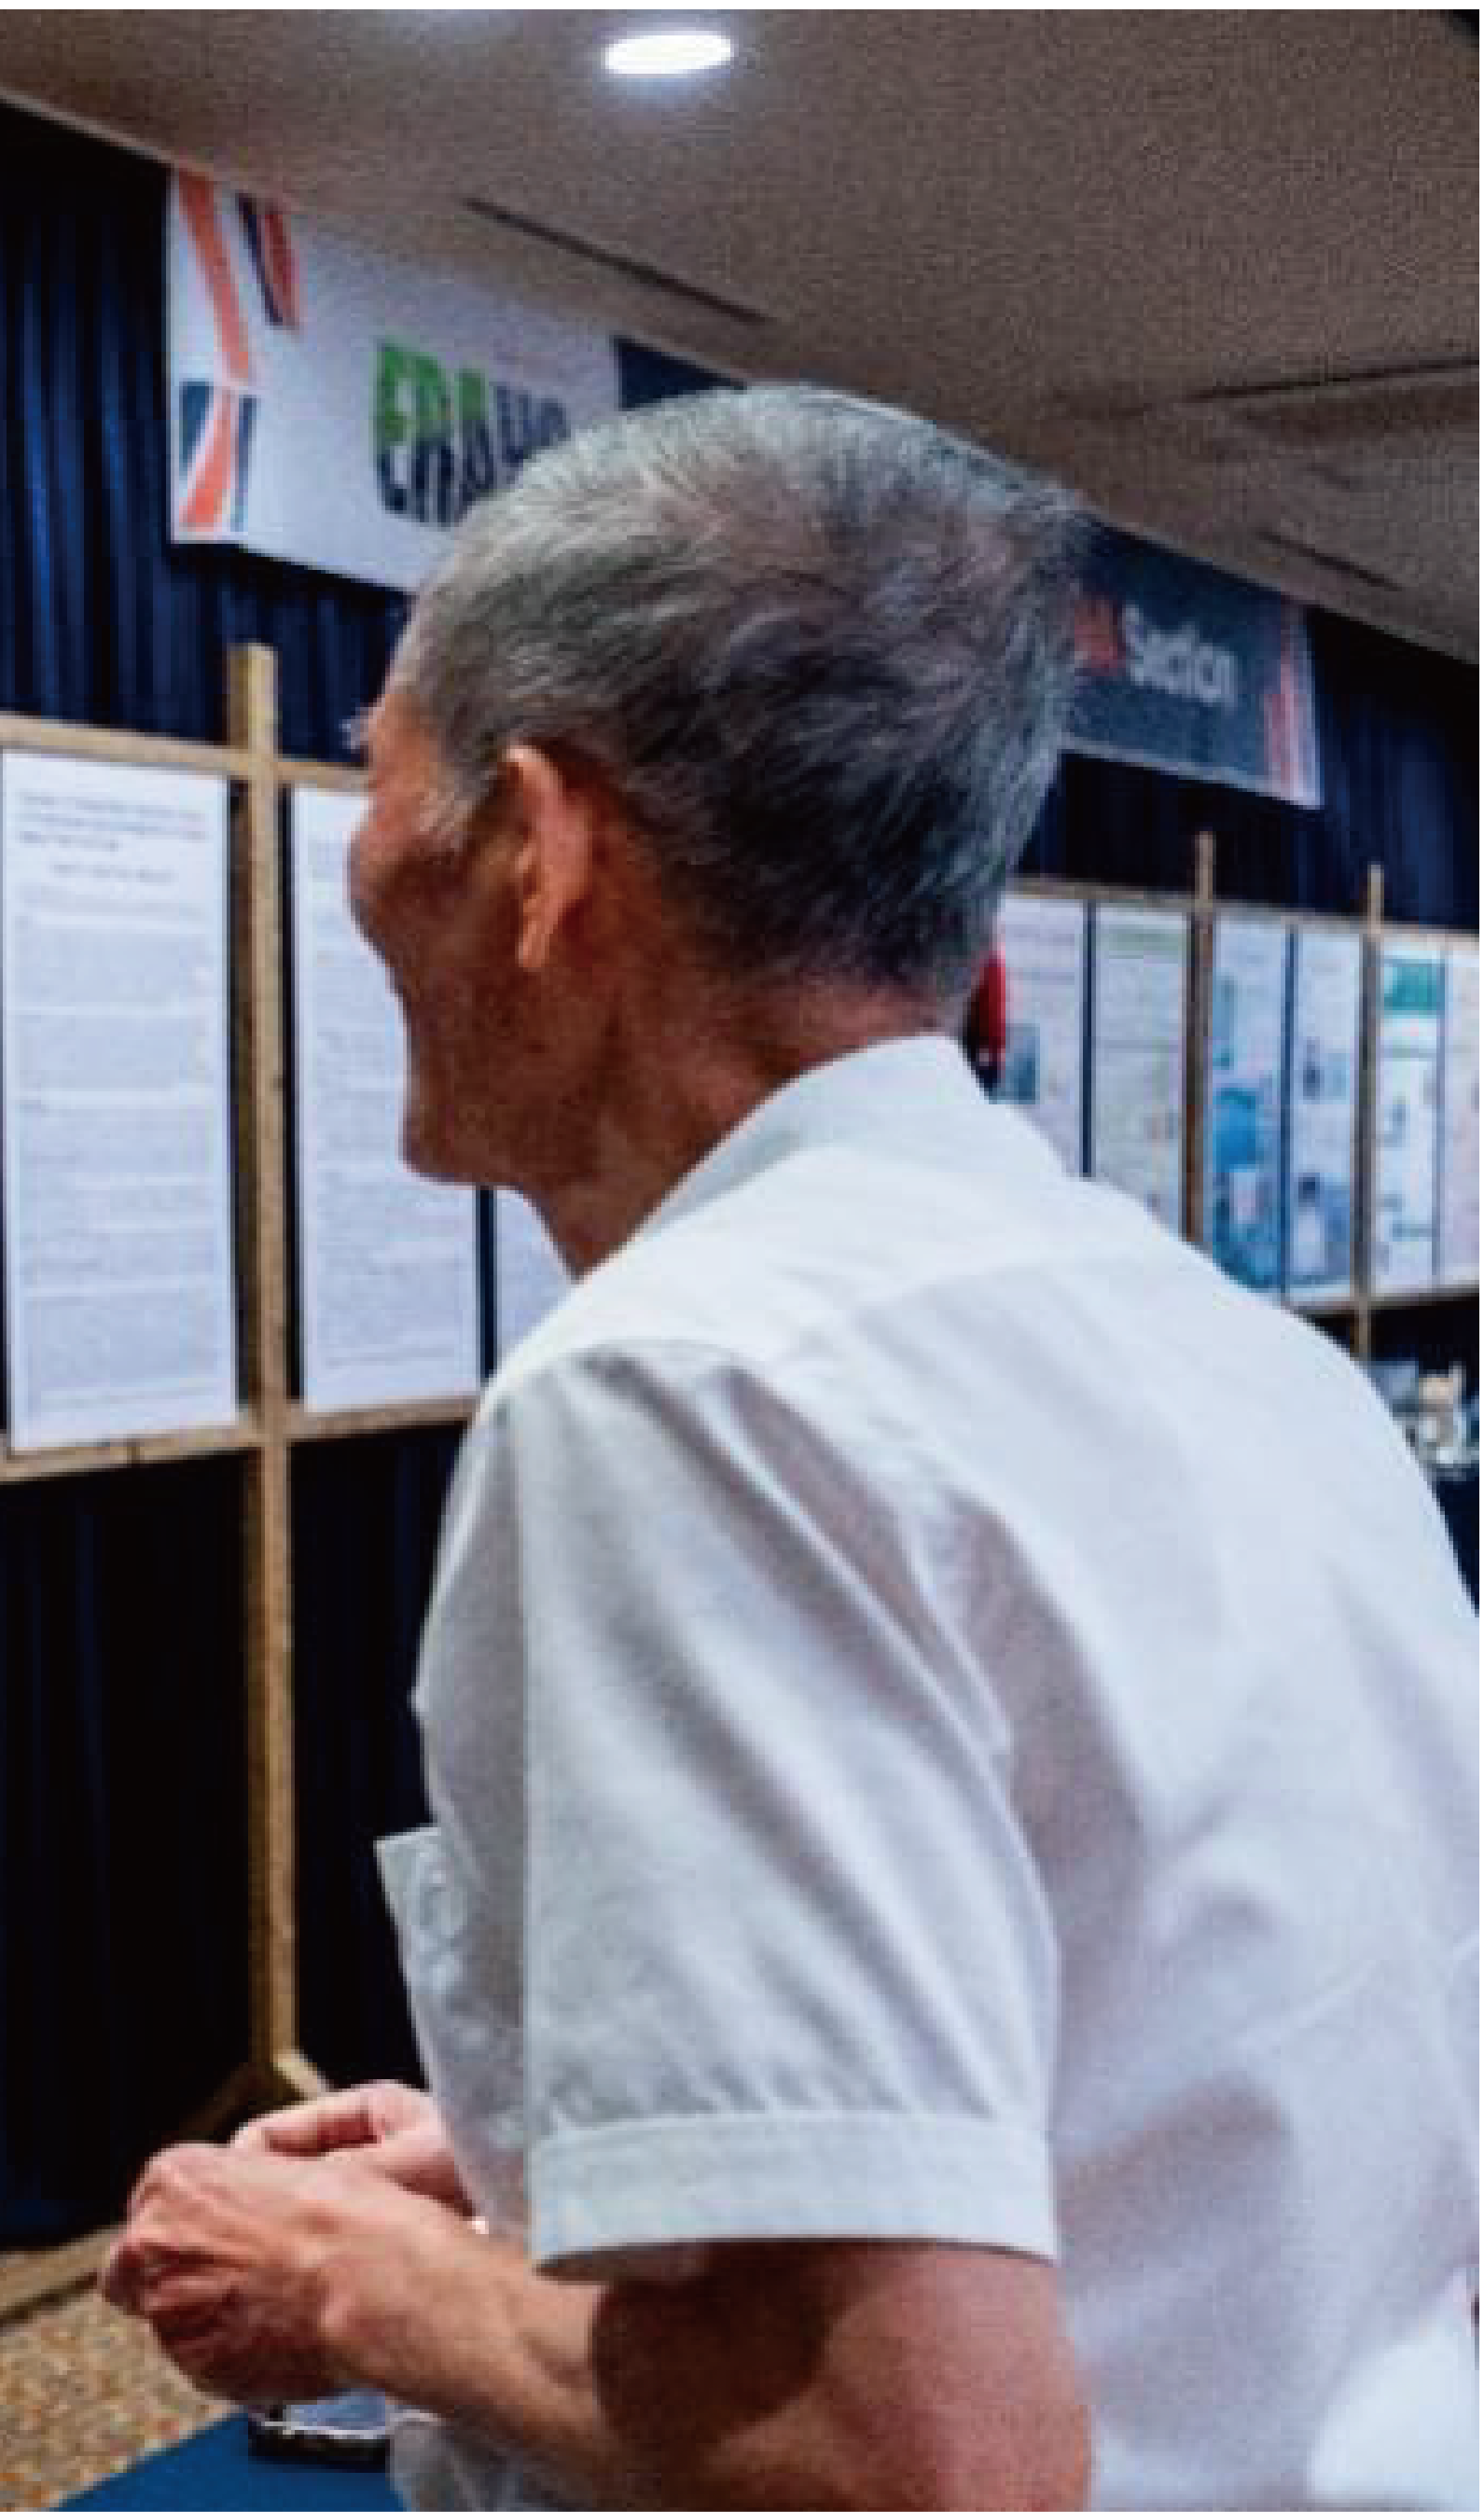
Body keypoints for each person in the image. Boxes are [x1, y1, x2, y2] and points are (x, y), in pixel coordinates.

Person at [99, 387, 1478, 2512]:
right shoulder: (1223, 1349)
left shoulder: (690, 1389)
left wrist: (352, 2275)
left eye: (373, 776)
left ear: (538, 846)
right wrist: (564, 2156)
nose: (355, 864)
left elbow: (916, 2455)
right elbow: (1167, 2085)